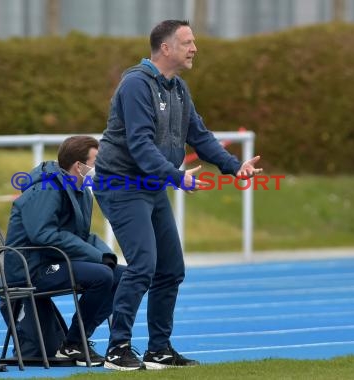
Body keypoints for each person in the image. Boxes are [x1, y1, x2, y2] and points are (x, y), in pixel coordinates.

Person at [93, 20, 263, 371]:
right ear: (165, 48)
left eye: (194, 42)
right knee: (143, 265)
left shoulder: (178, 88)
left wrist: (234, 167)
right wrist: (176, 177)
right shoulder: (136, 85)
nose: (194, 48)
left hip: (151, 186)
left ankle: (159, 350)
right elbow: (139, 145)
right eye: (187, 42)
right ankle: (117, 348)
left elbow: (199, 136)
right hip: (122, 184)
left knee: (171, 269)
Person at [4, 135, 125, 367]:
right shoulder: (46, 189)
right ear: (79, 166)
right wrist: (97, 258)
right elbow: (43, 234)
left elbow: (81, 235)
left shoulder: (82, 190)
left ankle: (74, 342)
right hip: (30, 268)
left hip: (51, 260)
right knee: (102, 276)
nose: (101, 166)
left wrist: (105, 255)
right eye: (96, 161)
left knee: (123, 276)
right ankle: (74, 344)